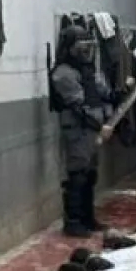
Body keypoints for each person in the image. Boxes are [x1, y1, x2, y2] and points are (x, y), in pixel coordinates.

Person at [50, 24, 115, 238]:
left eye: (87, 46)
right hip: (78, 131)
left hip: (93, 130)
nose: (86, 51)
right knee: (77, 175)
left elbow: (101, 93)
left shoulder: (87, 70)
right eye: (81, 46)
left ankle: (88, 218)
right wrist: (100, 127)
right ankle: (73, 221)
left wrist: (119, 94)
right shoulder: (63, 74)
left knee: (90, 175)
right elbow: (77, 108)